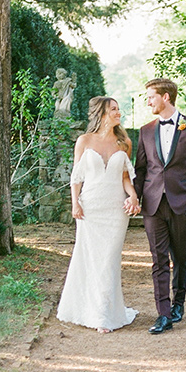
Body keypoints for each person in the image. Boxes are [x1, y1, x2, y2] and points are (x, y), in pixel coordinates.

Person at [127, 77, 186, 334]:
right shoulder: (145, 131)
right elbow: (141, 170)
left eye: (151, 96)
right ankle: (163, 314)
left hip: (182, 204)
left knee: (181, 257)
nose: (148, 101)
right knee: (158, 259)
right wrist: (136, 197)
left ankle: (179, 303)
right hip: (152, 206)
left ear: (166, 97)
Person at [57, 96, 140, 333]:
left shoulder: (124, 143)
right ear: (102, 113)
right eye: (113, 109)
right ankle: (88, 309)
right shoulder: (84, 141)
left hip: (115, 209)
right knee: (90, 258)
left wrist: (132, 196)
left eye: (118, 109)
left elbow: (125, 178)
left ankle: (104, 314)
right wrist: (75, 204)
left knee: (109, 259)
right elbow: (76, 177)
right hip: (90, 208)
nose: (118, 113)